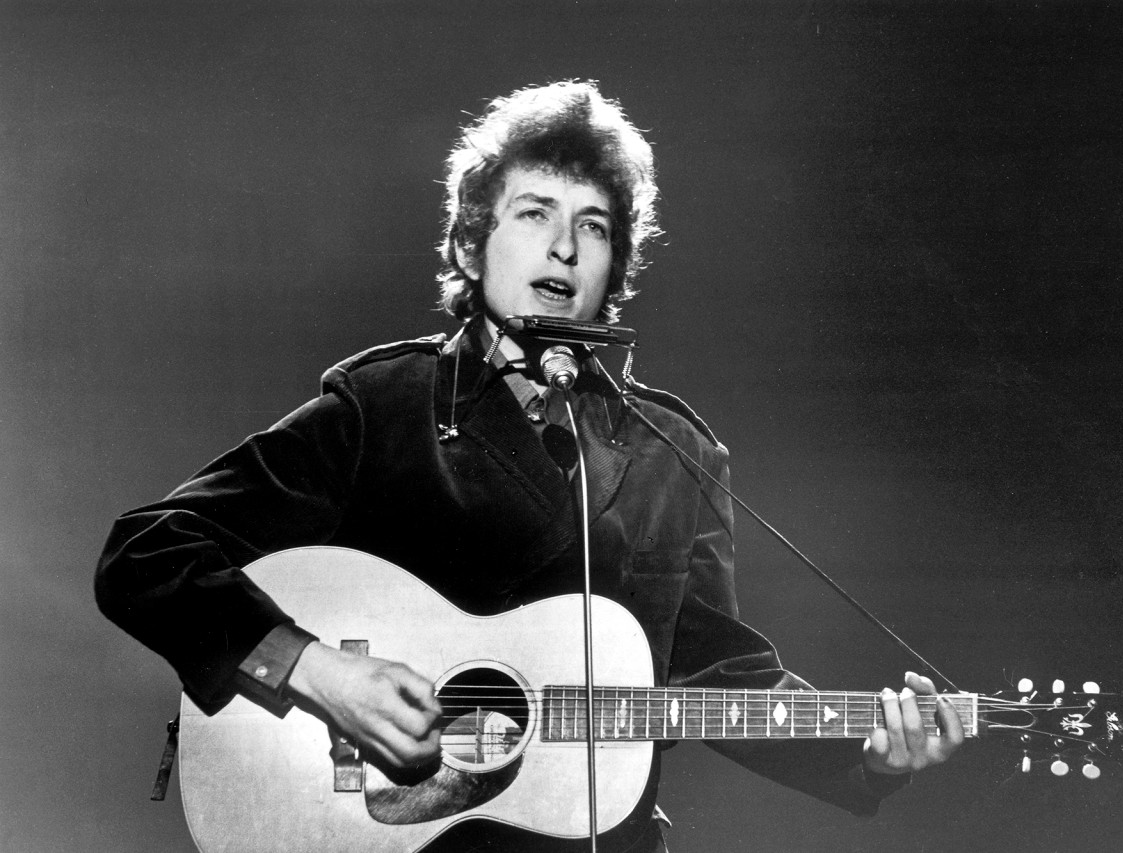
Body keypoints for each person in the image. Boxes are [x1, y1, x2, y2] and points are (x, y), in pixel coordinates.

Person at [96, 80, 962, 852]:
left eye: (593, 226)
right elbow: (144, 553)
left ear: (615, 267)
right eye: (534, 213)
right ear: (472, 249)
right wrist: (319, 670)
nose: (564, 249)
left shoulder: (677, 453)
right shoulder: (387, 403)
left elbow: (719, 678)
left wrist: (872, 756)